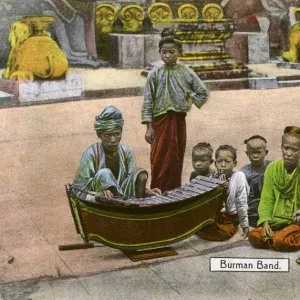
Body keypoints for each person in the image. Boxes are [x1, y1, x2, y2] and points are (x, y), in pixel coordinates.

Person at [141, 28, 209, 193]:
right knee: (158, 158)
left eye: (172, 52)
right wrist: (149, 127)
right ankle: (157, 191)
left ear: (179, 52)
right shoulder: (154, 75)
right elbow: (148, 101)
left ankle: (173, 192)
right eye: (164, 52)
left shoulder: (186, 72)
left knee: (175, 157)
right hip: (160, 122)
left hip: (178, 121)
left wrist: (189, 100)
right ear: (159, 53)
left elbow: (203, 92)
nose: (168, 55)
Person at [73, 106, 161, 201]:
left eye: (116, 134)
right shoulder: (90, 154)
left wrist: (145, 191)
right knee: (104, 173)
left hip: (124, 198)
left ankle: (137, 206)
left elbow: (131, 182)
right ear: (99, 135)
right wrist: (98, 195)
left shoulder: (127, 152)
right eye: (108, 135)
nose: (113, 140)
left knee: (141, 174)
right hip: (101, 200)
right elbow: (79, 191)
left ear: (121, 132)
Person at [248, 126, 300, 251]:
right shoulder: (272, 169)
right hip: (276, 220)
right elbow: (266, 199)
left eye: (294, 150)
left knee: (281, 240)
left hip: (295, 221)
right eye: (286, 148)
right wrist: (265, 223)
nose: (288, 153)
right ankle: (279, 238)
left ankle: (278, 239)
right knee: (254, 236)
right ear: (281, 147)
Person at [197, 145, 250, 241]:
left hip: (229, 218)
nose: (223, 165)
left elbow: (242, 203)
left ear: (234, 163)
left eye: (227, 161)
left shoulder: (239, 177)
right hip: (216, 216)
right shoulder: (213, 177)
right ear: (215, 163)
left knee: (223, 233)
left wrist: (245, 225)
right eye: (219, 161)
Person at [240, 135, 272, 227]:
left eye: (258, 152)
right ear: (247, 153)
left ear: (266, 152)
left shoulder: (272, 167)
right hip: (253, 206)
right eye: (252, 153)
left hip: (270, 202)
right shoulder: (244, 172)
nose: (255, 155)